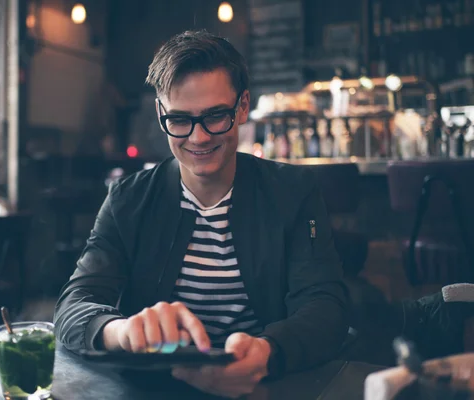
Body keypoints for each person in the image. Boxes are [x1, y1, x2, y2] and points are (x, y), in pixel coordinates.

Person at [54, 30, 348, 398]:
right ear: (161, 113)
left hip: (263, 385)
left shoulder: (292, 192)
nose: (198, 138)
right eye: (179, 120)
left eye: (215, 116)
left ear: (242, 107)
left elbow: (326, 306)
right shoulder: (127, 200)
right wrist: (121, 332)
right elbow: (73, 304)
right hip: (155, 389)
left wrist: (268, 352)